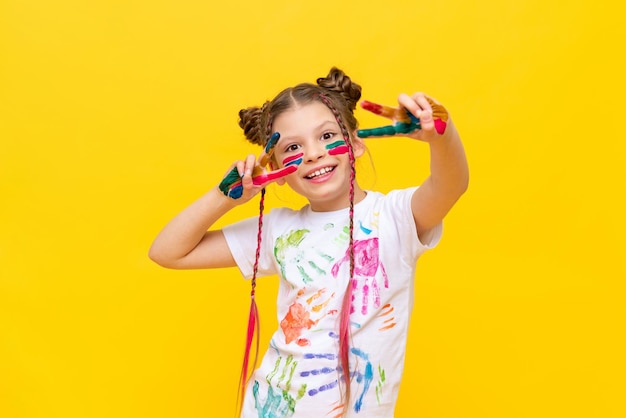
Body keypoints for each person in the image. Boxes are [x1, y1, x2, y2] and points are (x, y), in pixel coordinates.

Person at [149, 67, 469, 417]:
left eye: (327, 135)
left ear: (356, 143)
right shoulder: (279, 229)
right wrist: (225, 197)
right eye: (293, 147)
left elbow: (450, 185)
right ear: (276, 170)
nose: (314, 154)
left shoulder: (394, 217)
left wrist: (442, 137)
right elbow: (167, 252)